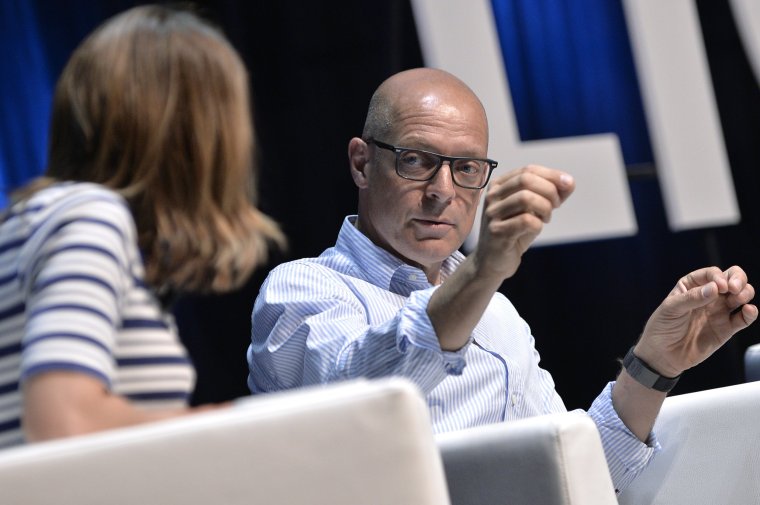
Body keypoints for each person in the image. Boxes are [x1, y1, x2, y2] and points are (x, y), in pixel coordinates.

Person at [247, 68, 756, 491]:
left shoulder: (496, 313)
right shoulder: (301, 289)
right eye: (418, 161)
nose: (442, 192)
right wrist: (482, 268)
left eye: (466, 167)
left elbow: (578, 470)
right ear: (362, 163)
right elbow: (365, 411)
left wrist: (654, 362)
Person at [0, 4, 284, 449]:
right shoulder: (92, 217)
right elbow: (61, 419)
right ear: (199, 134)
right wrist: (225, 424)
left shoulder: (36, 221)